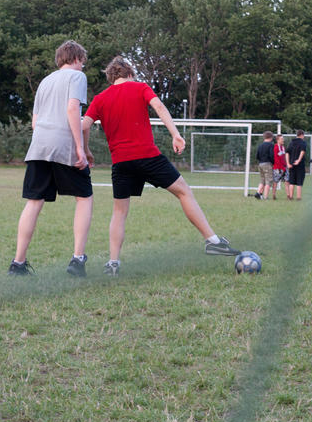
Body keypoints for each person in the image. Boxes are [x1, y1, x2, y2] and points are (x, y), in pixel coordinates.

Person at [82, 56, 239, 276]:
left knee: (119, 212)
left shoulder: (100, 98)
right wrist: (175, 135)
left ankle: (113, 263)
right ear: (130, 73)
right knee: (184, 192)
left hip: (121, 162)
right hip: (148, 157)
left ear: (111, 77)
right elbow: (159, 106)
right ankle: (212, 241)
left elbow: (84, 126)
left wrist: (86, 150)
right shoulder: (140, 87)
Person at [8, 40, 93, 277]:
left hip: (39, 146)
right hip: (63, 144)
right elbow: (72, 109)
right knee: (84, 197)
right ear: (76, 59)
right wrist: (79, 148)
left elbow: (35, 122)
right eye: (82, 63)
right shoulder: (77, 77)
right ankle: (77, 259)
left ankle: (18, 263)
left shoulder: (45, 81)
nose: (83, 67)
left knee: (34, 201)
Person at [285, 130, 307, 200]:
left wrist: (288, 163)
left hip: (291, 164)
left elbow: (287, 153)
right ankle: (298, 197)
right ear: (302, 135)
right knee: (299, 181)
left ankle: (291, 196)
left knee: (291, 181)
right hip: (300, 165)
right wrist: (298, 160)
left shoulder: (291, 142)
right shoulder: (303, 143)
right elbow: (302, 151)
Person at [254, 131, 275, 200]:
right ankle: (265, 197)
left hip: (260, 164)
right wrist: (273, 162)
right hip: (267, 164)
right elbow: (272, 155)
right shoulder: (271, 145)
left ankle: (258, 193)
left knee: (262, 180)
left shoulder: (260, 145)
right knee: (268, 181)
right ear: (271, 138)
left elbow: (257, 156)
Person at [271, 134, 289, 200]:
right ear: (278, 140)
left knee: (287, 181)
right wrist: (281, 168)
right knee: (275, 181)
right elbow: (276, 159)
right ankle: (273, 195)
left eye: (283, 138)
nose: (283, 140)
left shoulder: (283, 147)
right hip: (278, 168)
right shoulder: (275, 147)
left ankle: (288, 196)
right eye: (281, 139)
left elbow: (283, 157)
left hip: (284, 167)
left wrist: (286, 165)